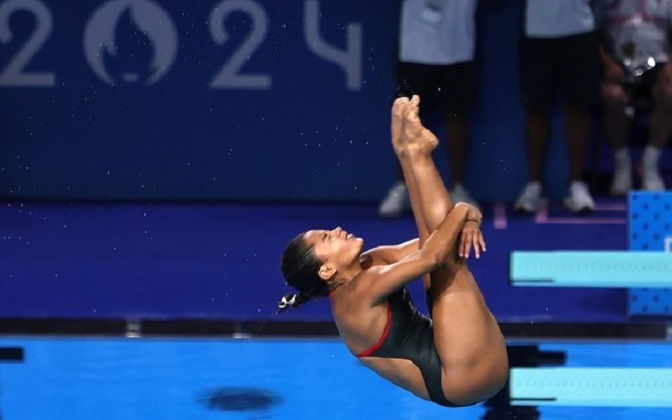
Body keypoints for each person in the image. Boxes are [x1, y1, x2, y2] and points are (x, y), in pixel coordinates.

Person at [279, 96, 508, 407]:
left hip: (462, 361)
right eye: (327, 239)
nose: (335, 230)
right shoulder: (355, 294)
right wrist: (466, 209)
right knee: (446, 267)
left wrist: (463, 220)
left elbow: (435, 241)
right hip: (461, 379)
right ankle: (412, 153)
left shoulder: (367, 265)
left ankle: (409, 152)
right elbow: (434, 257)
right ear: (327, 271)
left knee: (438, 244)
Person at [379, 0, 480, 218]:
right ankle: (403, 186)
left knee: (457, 116)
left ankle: (458, 188)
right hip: (415, 46)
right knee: (407, 116)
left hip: (459, 43)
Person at [514, 0, 601, 213]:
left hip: (579, 28)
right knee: (536, 110)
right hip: (537, 30)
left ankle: (576, 185)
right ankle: (535, 185)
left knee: (578, 109)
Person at [596, 0, 672, 194]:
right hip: (619, 66)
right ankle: (622, 165)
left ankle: (650, 163)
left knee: (670, 93)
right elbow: (590, 35)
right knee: (612, 96)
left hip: (658, 64)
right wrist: (608, 64)